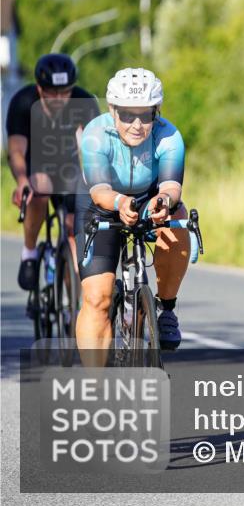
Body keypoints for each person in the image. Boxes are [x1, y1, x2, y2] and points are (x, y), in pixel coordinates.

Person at [75, 68, 189, 363]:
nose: (137, 125)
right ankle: (94, 387)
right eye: (127, 115)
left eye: (146, 115)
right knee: (97, 299)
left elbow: (171, 185)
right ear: (113, 110)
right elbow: (99, 189)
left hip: (149, 199)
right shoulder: (95, 134)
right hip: (102, 202)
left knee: (179, 214)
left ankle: (167, 308)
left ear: (156, 111)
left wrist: (163, 200)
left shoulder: (169, 135)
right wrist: (120, 202)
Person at [6, 53, 100, 298]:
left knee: (73, 228)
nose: (59, 99)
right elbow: (16, 150)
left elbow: (96, 147)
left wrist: (99, 181)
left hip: (68, 166)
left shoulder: (83, 100)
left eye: (64, 92)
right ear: (39, 89)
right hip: (34, 165)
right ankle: (29, 252)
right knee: (40, 188)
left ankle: (72, 307)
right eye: (51, 93)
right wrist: (22, 182)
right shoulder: (23, 102)